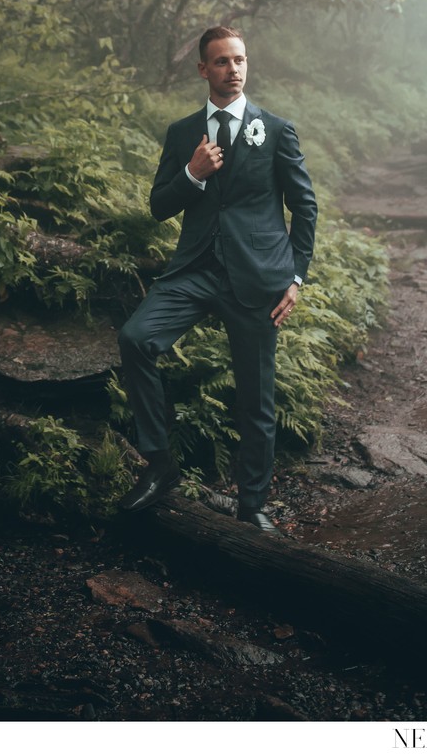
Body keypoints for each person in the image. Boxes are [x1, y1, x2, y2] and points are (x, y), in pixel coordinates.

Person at [117, 26, 317, 533]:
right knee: (137, 339)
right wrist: (191, 173)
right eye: (223, 62)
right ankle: (160, 465)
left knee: (256, 399)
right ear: (203, 69)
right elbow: (159, 206)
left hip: (257, 280)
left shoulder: (274, 129)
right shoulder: (184, 133)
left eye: (240, 60)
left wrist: (295, 277)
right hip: (195, 270)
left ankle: (254, 506)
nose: (234, 69)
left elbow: (304, 207)